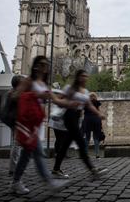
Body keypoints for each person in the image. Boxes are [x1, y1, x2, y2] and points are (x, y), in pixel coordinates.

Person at [9, 56, 75, 194]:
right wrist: (35, 94)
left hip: (34, 125)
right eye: (42, 64)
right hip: (26, 123)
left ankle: (15, 182)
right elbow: (15, 96)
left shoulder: (44, 84)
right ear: (36, 66)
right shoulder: (29, 81)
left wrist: (70, 103)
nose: (45, 67)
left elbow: (56, 100)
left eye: (46, 65)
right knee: (38, 152)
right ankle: (49, 181)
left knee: (27, 155)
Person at [52, 69, 108, 179]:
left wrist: (99, 114)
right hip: (69, 115)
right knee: (81, 142)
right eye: (82, 76)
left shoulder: (85, 91)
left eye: (86, 76)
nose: (85, 78)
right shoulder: (70, 88)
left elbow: (89, 105)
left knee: (66, 144)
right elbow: (58, 100)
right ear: (78, 77)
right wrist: (70, 103)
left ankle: (56, 169)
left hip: (77, 117)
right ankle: (92, 169)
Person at [0, 75, 24, 176]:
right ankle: (13, 169)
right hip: (17, 120)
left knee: (16, 144)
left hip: (13, 120)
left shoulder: (10, 92)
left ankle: (14, 167)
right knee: (17, 144)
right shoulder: (14, 94)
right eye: (22, 82)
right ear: (18, 84)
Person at [83, 92, 103, 159]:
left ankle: (86, 154)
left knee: (87, 138)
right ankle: (97, 154)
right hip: (96, 120)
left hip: (87, 120)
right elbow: (99, 112)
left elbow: (83, 112)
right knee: (96, 138)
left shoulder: (86, 103)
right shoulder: (97, 102)